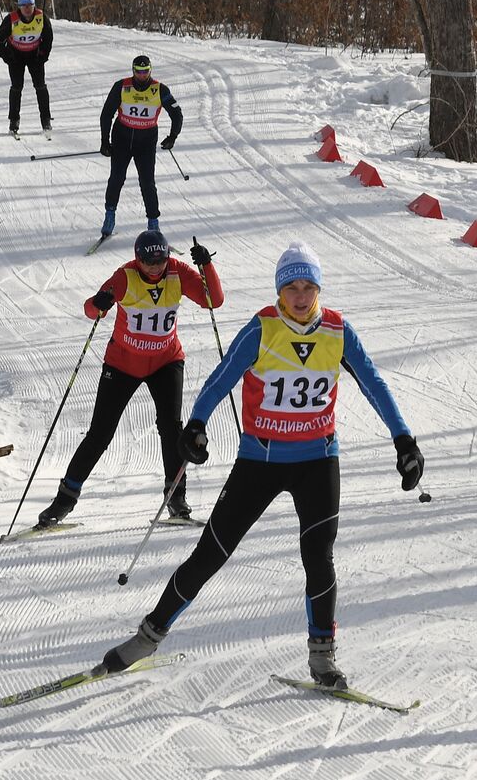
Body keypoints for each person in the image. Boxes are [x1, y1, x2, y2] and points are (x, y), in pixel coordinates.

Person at [99, 242, 426, 690]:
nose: (300, 295)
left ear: (318, 288)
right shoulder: (262, 328)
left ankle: (323, 658)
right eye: (291, 286)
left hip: (317, 460)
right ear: (279, 289)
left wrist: (403, 440)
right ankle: (148, 637)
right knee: (211, 554)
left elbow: (373, 382)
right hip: (261, 460)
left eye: (309, 285)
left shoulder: (337, 330)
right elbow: (220, 380)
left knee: (319, 557)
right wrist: (195, 426)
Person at [37, 232, 223, 526]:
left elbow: (213, 300)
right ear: (138, 259)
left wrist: (206, 267)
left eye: (160, 260)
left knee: (171, 428)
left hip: (166, 360)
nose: (154, 267)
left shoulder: (177, 272)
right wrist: (99, 302)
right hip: (123, 364)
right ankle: (63, 501)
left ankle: (176, 499)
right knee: (100, 433)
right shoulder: (125, 277)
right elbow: (91, 309)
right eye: (148, 262)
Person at [99, 55, 183, 238]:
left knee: (147, 182)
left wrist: (173, 137)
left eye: (145, 72)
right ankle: (110, 215)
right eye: (138, 71)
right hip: (122, 138)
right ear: (133, 70)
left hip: (146, 142)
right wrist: (105, 141)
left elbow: (177, 113)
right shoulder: (121, 86)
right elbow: (106, 114)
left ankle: (153, 222)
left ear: (150, 70)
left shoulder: (160, 89)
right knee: (116, 178)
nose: (142, 75)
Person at [0, 0, 52, 136]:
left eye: (30, 5)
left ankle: (46, 120)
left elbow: (48, 38)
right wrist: (8, 58)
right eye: (24, 6)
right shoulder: (11, 19)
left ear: (34, 5)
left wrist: (43, 55)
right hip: (16, 57)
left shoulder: (41, 17)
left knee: (40, 86)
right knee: (16, 87)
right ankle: (14, 121)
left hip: (35, 56)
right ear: (19, 7)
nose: (27, 9)